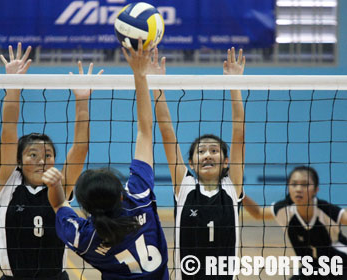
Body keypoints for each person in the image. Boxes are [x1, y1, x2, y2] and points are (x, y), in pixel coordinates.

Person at [45, 39, 169, 280]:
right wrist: (140, 74)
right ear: (121, 195)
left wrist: (54, 184)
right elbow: (145, 130)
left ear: (85, 207)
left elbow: (59, 204)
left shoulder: (84, 237)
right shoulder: (139, 197)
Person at [0, 42, 102, 279]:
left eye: (48, 155)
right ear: (18, 161)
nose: (42, 160)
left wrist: (82, 101)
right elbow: (8, 131)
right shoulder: (9, 183)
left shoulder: (59, 185)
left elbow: (80, 148)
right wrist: (14, 87)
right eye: (33, 155)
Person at [152, 47, 246, 279]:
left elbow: (238, 130)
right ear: (191, 164)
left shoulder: (232, 188)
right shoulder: (184, 187)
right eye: (201, 151)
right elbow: (166, 130)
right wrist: (156, 86)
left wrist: (235, 85)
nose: (207, 155)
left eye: (214, 151)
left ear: (226, 162)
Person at [243, 166, 347, 279]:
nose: (298, 189)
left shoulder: (326, 210)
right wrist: (240, 193)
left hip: (341, 264)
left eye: (305, 184)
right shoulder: (284, 210)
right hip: (311, 268)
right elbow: (257, 213)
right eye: (294, 184)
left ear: (316, 189)